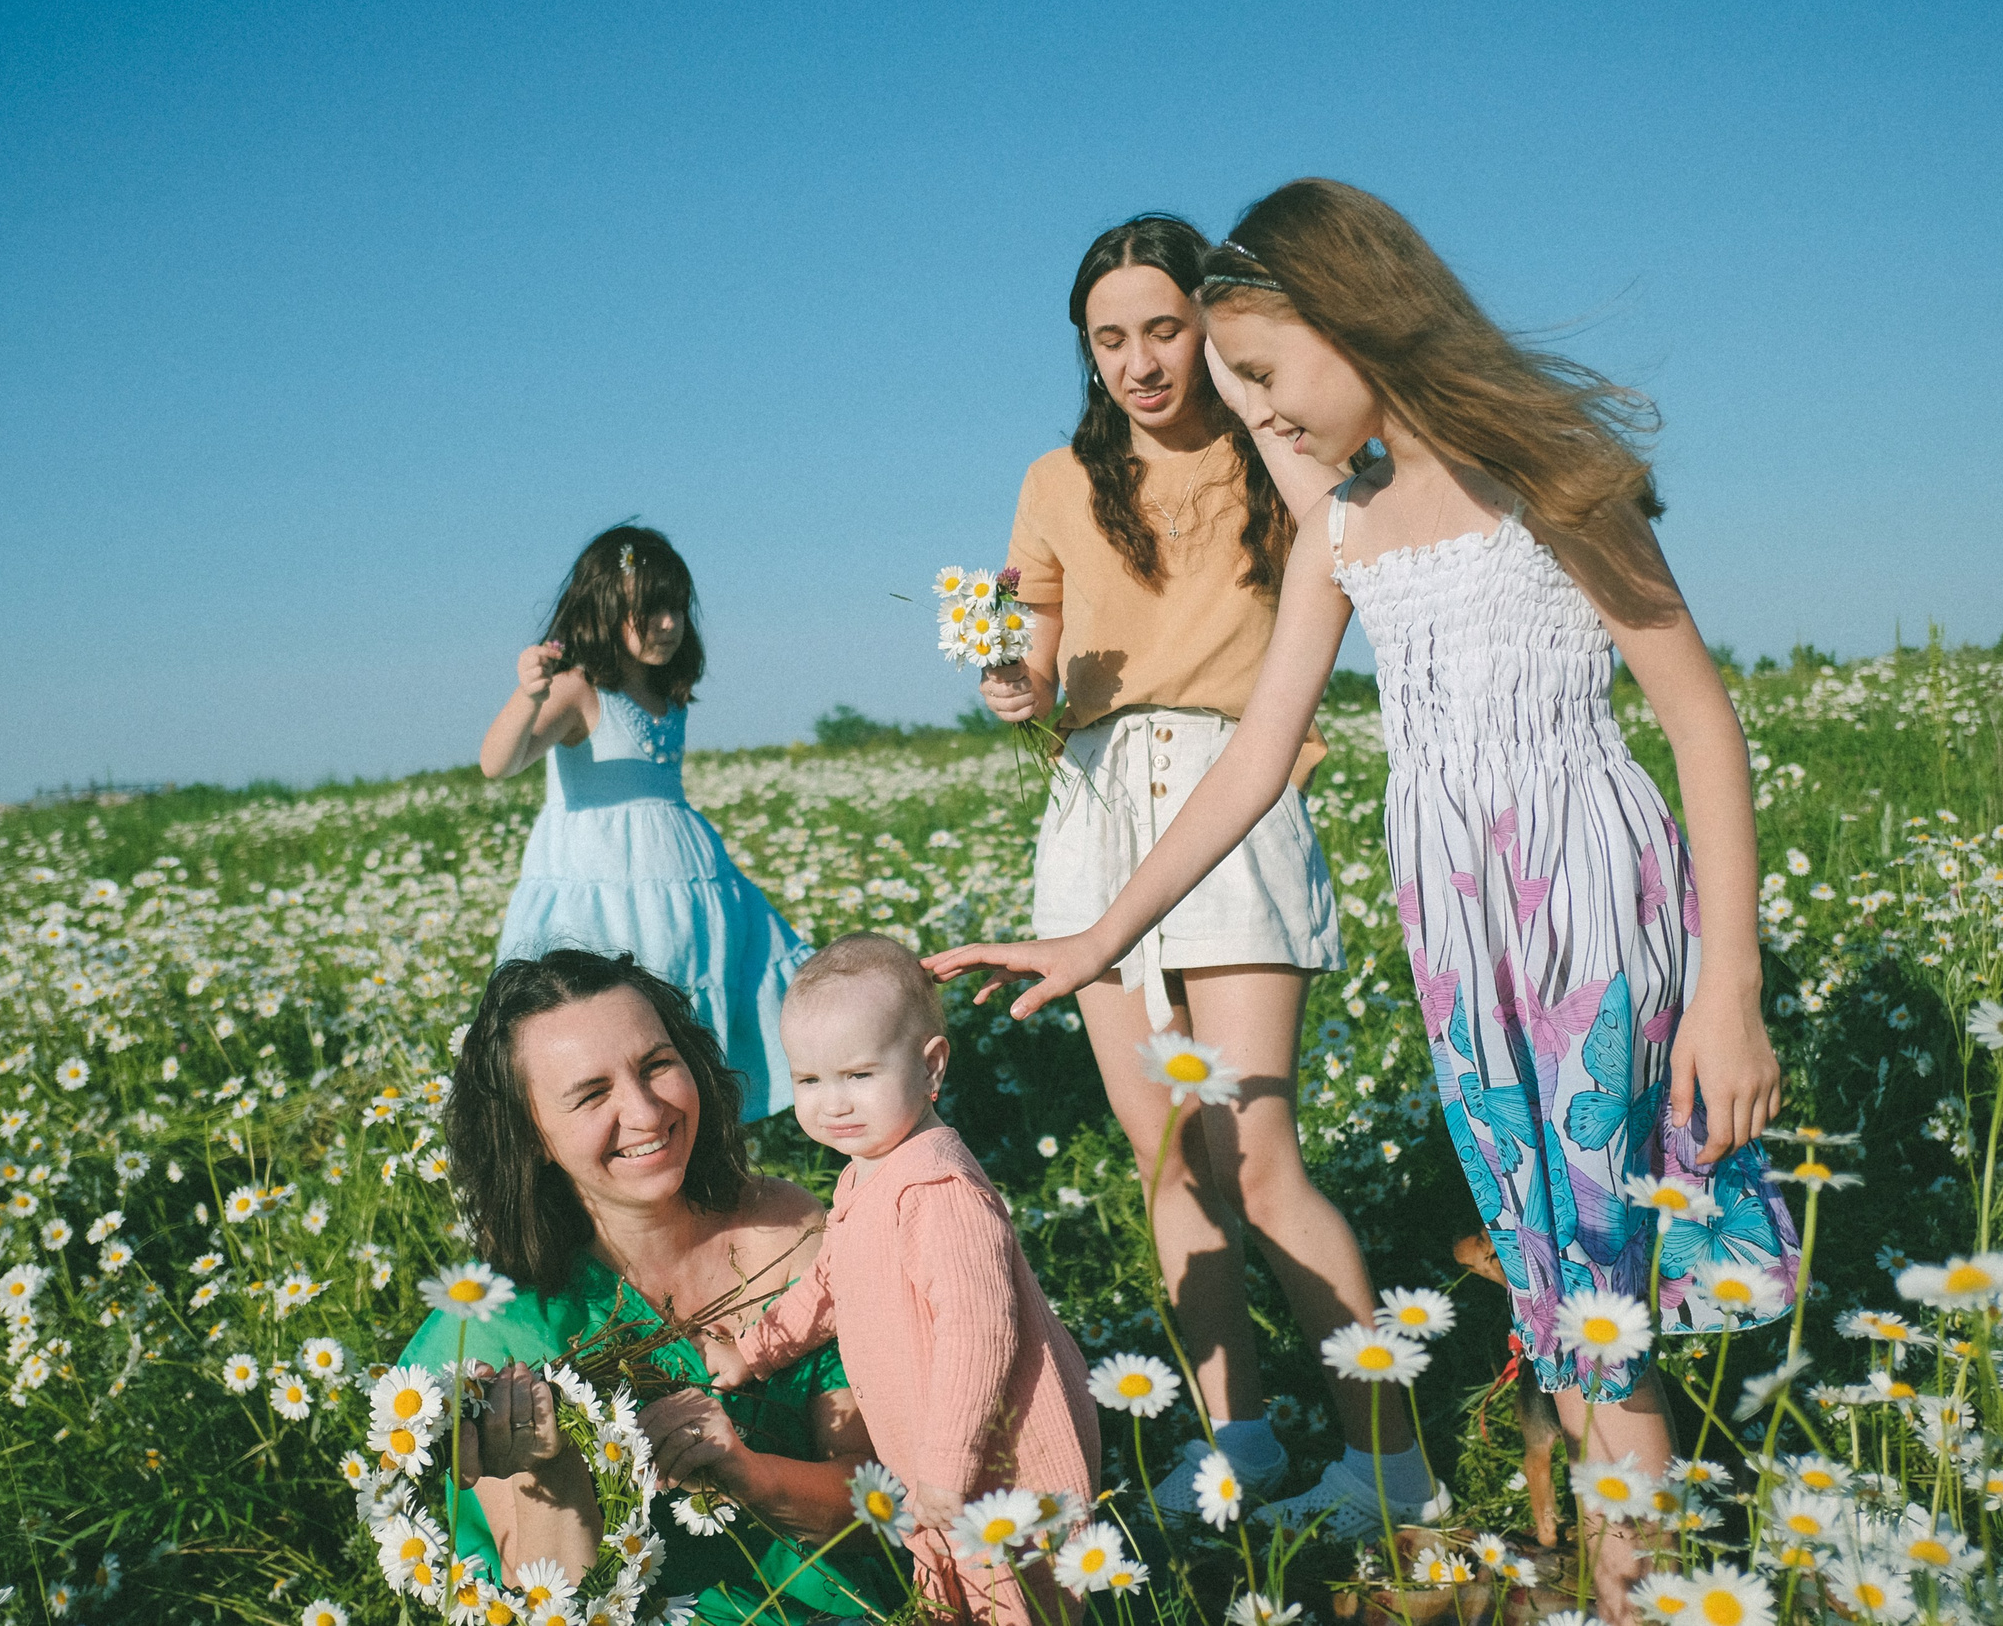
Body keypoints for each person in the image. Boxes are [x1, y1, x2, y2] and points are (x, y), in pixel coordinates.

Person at [929, 180, 1800, 1621]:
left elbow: (1703, 722)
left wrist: (1731, 987)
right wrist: (1098, 934)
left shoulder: (1547, 476)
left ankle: (1641, 1583)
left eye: (1262, 375)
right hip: (1458, 936)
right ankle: (1620, 1566)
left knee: (1604, 1281)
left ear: (1357, 319)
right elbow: (1256, 761)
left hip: (1589, 901)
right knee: (1551, 1276)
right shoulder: (1344, 529)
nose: (1258, 414)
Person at [969, 214, 1429, 1533]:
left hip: (1234, 785)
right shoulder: (1056, 480)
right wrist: (1017, 681)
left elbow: (1351, 560)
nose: (1138, 360)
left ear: (1208, 324)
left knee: (1259, 1147)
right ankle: (1239, 1441)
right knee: (1168, 1154)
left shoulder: (1271, 446)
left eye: (1162, 328)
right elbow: (1039, 655)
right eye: (1108, 339)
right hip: (1095, 801)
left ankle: (1392, 1457)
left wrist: (1261, 412)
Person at [403, 950, 900, 1626]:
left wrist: (751, 1475)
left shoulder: (793, 1230)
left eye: (656, 1064)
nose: (644, 1111)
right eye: (590, 1093)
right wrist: (543, 1474)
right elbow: (550, 1596)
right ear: (531, 1135)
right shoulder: (501, 1331)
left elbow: (877, 1497)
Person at [703, 935, 1098, 1625]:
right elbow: (830, 1281)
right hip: (932, 1455)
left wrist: (949, 1461)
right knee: (958, 1589)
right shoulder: (865, 1172)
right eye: (809, 1080)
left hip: (997, 1456)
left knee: (1016, 1594)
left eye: (859, 1074)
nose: (833, 1103)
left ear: (931, 1066)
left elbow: (980, 1334)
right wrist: (754, 1350)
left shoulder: (939, 1190)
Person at [480, 525, 808, 1120]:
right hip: (599, 884)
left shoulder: (667, 695)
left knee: (692, 999)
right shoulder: (578, 689)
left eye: (676, 609)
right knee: (609, 1012)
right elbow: (498, 763)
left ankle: (702, 1134)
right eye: (648, 610)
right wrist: (527, 696)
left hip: (690, 879)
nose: (667, 623)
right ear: (605, 610)